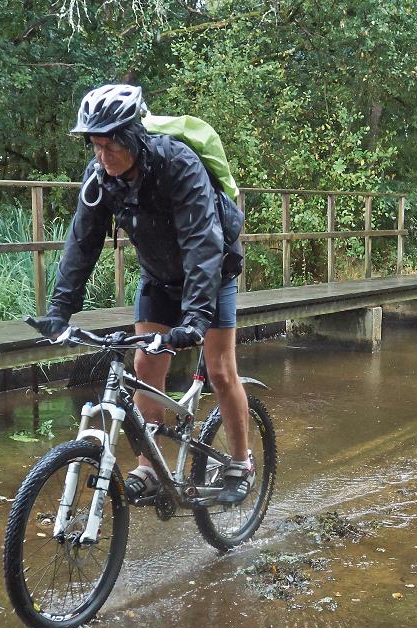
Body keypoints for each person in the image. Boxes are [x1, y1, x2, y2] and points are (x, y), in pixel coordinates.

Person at [31, 83, 254, 505]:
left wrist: (195, 320)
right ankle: (149, 468)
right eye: (94, 147)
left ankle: (240, 463)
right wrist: (60, 309)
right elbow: (83, 241)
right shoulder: (101, 177)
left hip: (212, 274)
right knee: (145, 364)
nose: (102, 156)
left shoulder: (180, 165)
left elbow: (202, 243)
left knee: (221, 371)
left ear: (133, 137)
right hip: (158, 277)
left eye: (109, 146)